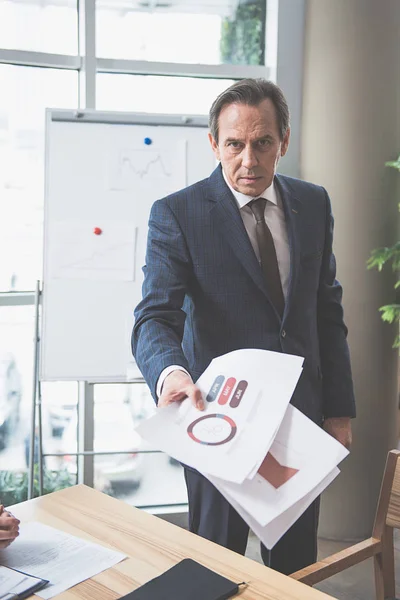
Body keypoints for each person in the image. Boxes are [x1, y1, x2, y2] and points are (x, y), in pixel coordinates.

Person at [132, 78, 355, 575]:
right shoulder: (178, 214)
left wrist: (338, 411)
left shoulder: (313, 203)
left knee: (295, 565)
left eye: (263, 143)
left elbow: (326, 311)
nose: (248, 161)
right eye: (234, 144)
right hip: (217, 416)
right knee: (216, 562)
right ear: (214, 143)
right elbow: (154, 315)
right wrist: (171, 373)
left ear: (285, 142)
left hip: (300, 416)